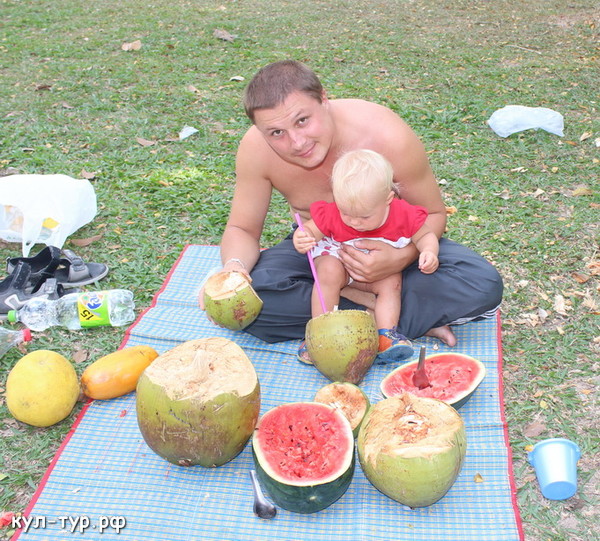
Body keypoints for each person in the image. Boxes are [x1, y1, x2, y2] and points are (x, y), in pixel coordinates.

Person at [202, 60, 503, 346]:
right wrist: (234, 268)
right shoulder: (256, 150)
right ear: (260, 129)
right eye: (277, 133)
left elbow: (434, 214)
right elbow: (242, 229)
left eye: (303, 121)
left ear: (323, 98)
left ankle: (355, 318)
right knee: (252, 305)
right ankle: (388, 318)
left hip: (395, 242)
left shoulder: (386, 135)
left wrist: (401, 258)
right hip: (322, 248)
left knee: (481, 284)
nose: (297, 142)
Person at [293, 149, 440, 362]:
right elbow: (311, 229)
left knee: (392, 282)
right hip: (341, 262)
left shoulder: (403, 214)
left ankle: (386, 335)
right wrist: (303, 236)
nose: (354, 222)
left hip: (377, 274)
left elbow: (425, 235)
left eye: (364, 216)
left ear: (388, 199)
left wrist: (429, 251)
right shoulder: (334, 212)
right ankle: (320, 333)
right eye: (346, 214)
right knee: (327, 271)